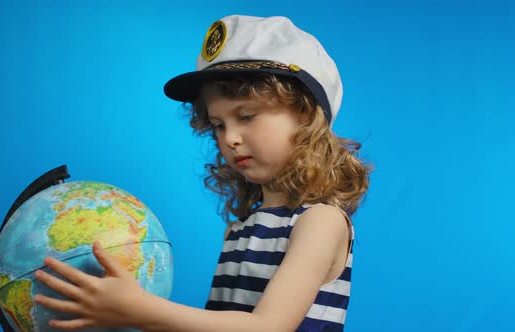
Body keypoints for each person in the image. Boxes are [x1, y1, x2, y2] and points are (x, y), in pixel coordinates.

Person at [33, 15, 371, 331]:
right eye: (218, 125)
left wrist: (140, 309)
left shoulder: (320, 222)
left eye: (247, 116)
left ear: (305, 115)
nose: (230, 138)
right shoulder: (239, 231)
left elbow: (269, 327)